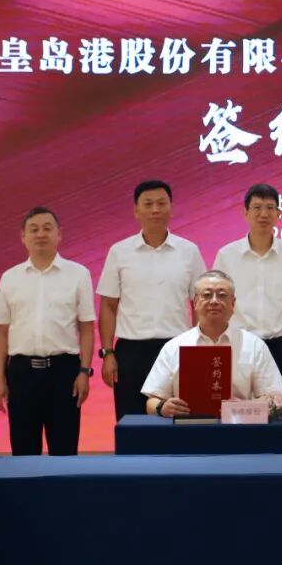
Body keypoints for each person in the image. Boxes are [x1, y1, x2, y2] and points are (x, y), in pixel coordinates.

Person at [97, 180, 206, 420]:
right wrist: (108, 353)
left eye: (161, 203)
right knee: (132, 422)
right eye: (148, 204)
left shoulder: (188, 251)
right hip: (131, 353)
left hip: (177, 349)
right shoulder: (119, 252)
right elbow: (108, 306)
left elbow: (199, 304)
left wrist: (197, 349)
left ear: (171, 208)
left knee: (179, 421)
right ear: (136, 211)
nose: (155, 209)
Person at [0, 207, 96, 455]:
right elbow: (1, 333)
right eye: (34, 229)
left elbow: (86, 328)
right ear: (23, 237)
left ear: (59, 234)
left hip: (64, 372)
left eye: (48, 228)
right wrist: (0, 380)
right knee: (23, 451)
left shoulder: (78, 274)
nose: (41, 234)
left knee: (64, 450)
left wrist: (84, 372)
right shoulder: (10, 277)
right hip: (21, 373)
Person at [142, 270, 282, 416]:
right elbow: (152, 401)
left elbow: (275, 398)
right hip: (187, 427)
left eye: (222, 295)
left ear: (233, 303)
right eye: (207, 295)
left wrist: (245, 406)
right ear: (195, 302)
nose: (214, 301)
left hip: (238, 426)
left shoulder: (254, 346)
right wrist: (162, 407)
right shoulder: (174, 347)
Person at [213, 183, 282, 381]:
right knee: (237, 400)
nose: (263, 214)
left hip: (279, 348)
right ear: (245, 213)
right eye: (257, 207)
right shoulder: (227, 255)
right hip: (239, 346)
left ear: (278, 213)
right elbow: (217, 307)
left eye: (270, 208)